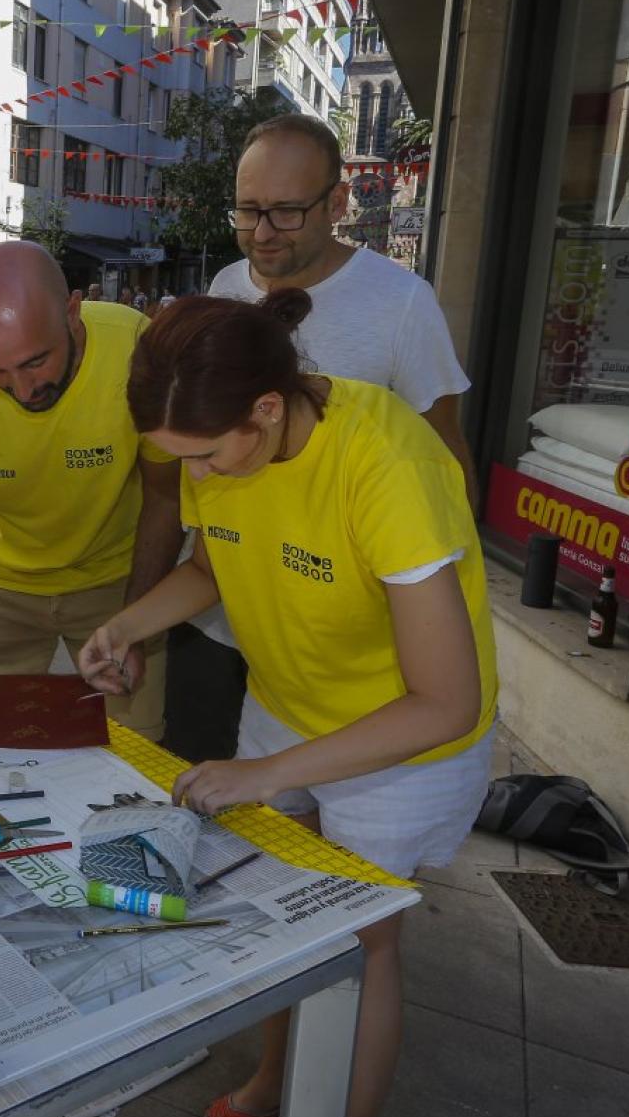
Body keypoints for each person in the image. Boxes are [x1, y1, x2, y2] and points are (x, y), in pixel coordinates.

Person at [78, 290, 498, 1117]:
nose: (190, 476)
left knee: (361, 941)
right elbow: (212, 564)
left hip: (400, 745)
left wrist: (263, 774)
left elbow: (446, 703)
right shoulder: (224, 443)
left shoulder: (386, 462)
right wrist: (127, 625)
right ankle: (274, 1087)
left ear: (267, 410)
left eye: (201, 458)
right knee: (287, 918)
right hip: (286, 703)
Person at [187, 114, 476, 761]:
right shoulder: (225, 289)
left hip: (350, 642)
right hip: (241, 618)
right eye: (247, 210)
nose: (260, 233)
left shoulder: (401, 303)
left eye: (286, 212)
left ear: (338, 203)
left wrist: (437, 611)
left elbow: (446, 459)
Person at [0, 242, 181, 741]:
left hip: (115, 580)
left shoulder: (137, 349)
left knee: (137, 750)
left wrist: (138, 621)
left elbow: (166, 493)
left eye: (35, 362)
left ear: (72, 312)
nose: (23, 390)